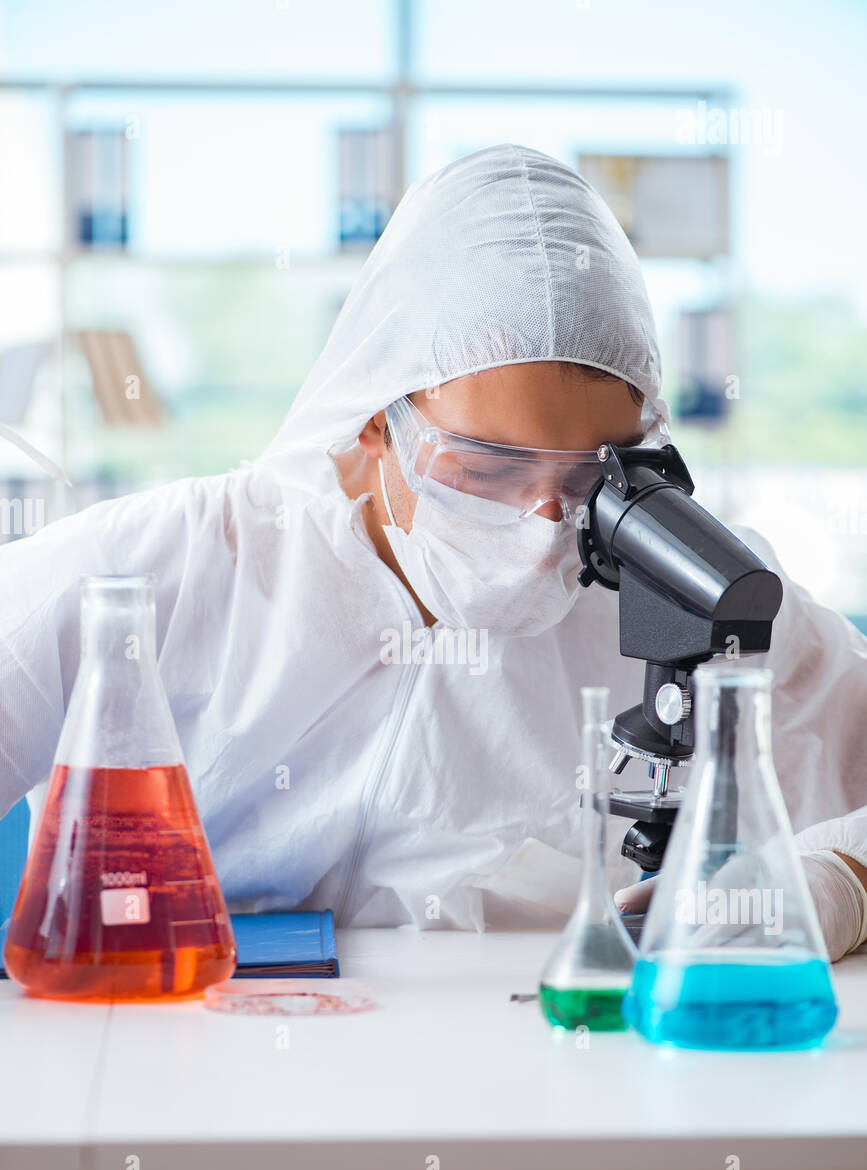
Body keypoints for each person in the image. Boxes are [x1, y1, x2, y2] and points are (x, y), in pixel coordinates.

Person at [1, 144, 865, 956]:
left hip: (550, 1087)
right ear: (376, 420)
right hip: (184, 1073)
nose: (539, 524)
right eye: (487, 467)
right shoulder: (149, 572)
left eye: (588, 483)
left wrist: (838, 883)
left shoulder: (687, 593)